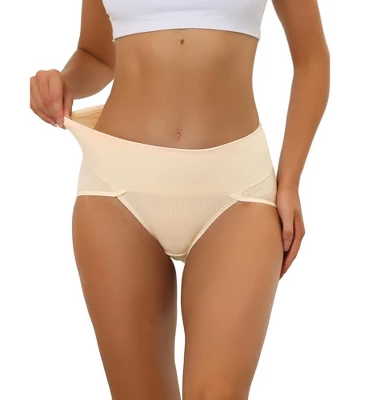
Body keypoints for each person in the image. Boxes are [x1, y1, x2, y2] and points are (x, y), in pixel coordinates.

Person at [29, 0, 330, 398]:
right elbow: (96, 55)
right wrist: (64, 80)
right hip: (117, 190)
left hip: (237, 191)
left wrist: (289, 182)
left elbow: (312, 59)